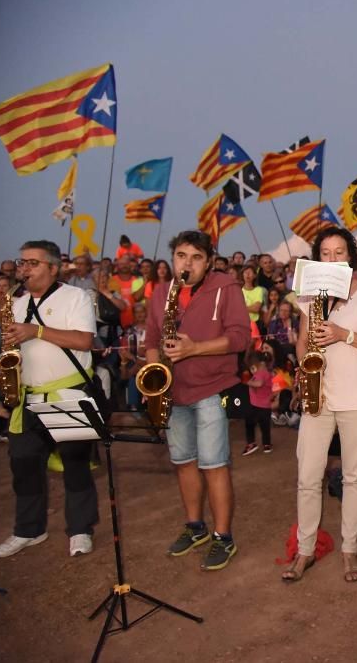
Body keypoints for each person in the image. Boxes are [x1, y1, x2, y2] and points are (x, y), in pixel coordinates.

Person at [283, 225, 357, 583]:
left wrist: (343, 334)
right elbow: (301, 341)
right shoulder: (309, 295)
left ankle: (349, 550)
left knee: (353, 476)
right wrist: (303, 366)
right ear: (317, 258)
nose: (332, 259)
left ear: (351, 257)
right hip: (318, 395)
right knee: (307, 477)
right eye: (325, 253)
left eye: (339, 252)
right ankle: (305, 551)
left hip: (356, 396)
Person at [145, 230, 251, 571]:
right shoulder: (161, 292)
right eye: (181, 256)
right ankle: (195, 527)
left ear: (209, 261)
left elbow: (239, 337)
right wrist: (153, 367)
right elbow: (150, 337)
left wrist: (194, 349)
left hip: (212, 388)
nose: (186, 263)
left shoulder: (226, 288)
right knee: (184, 461)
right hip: (173, 391)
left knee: (214, 464)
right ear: (172, 258)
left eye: (196, 257)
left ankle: (223, 536)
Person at [0, 240, 99, 559]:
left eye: (32, 263)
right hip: (27, 398)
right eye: (21, 262)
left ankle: (80, 529)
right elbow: (17, 348)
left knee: (75, 466)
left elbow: (84, 340)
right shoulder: (17, 302)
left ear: (53, 268)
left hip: (67, 392)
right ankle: (29, 530)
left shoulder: (75, 296)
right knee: (24, 466)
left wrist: (35, 331)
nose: (24, 269)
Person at [241, 351, 274, 456]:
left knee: (250, 425)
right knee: (265, 426)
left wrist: (248, 382)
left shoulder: (261, 372)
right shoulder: (266, 372)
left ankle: (251, 443)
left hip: (256, 405)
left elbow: (259, 384)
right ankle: (267, 445)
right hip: (265, 406)